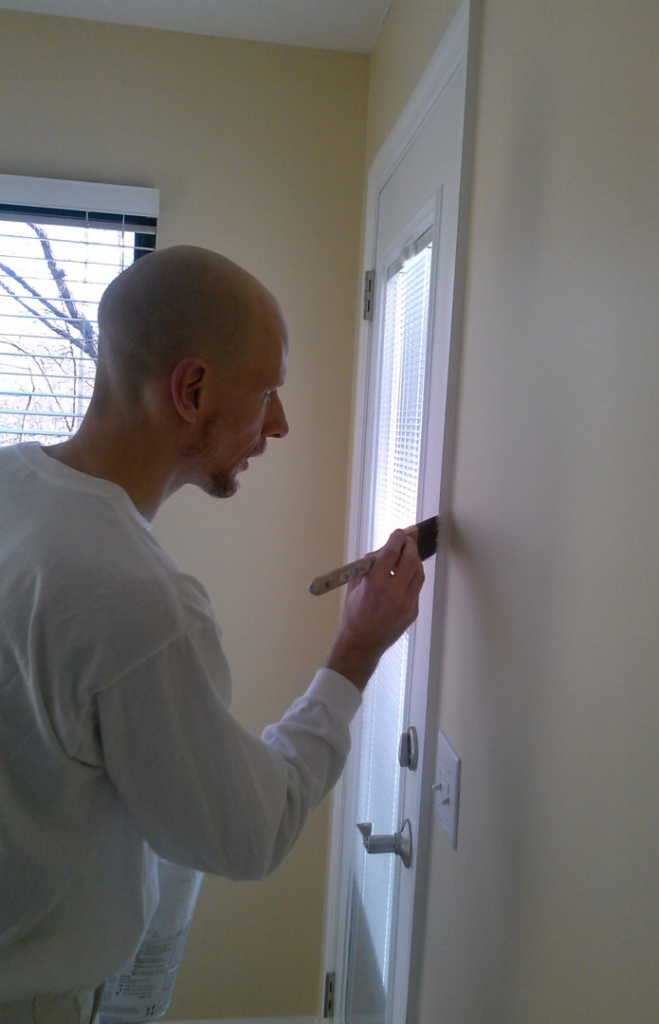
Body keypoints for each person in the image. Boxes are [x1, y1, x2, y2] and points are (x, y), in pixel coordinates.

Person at [0, 246, 425, 1022]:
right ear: (191, 389)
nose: (281, 423)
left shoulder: (11, 489)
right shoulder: (137, 601)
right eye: (267, 391)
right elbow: (247, 833)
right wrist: (355, 652)